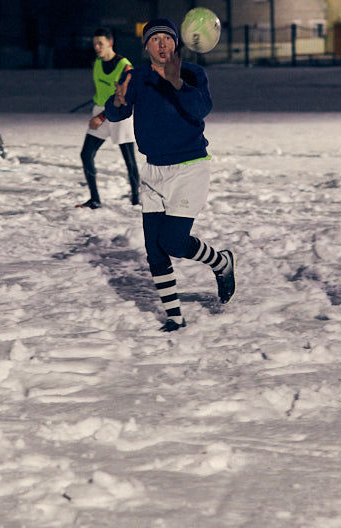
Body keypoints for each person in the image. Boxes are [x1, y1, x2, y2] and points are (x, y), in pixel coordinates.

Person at [105, 18, 235, 332]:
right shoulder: (137, 77)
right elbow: (116, 113)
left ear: (176, 43)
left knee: (174, 242)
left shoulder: (192, 73)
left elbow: (201, 109)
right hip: (153, 171)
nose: (162, 44)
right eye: (155, 39)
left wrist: (177, 82)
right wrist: (117, 101)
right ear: (146, 46)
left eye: (167, 38)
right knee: (154, 249)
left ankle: (221, 262)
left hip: (190, 168)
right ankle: (175, 318)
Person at [77, 27, 140, 209]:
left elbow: (125, 96)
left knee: (129, 160)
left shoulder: (124, 66)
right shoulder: (96, 62)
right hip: (101, 112)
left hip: (119, 115)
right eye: (95, 44)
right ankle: (95, 200)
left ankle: (136, 201)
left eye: (100, 44)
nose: (96, 47)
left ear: (110, 43)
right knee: (86, 154)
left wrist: (102, 116)